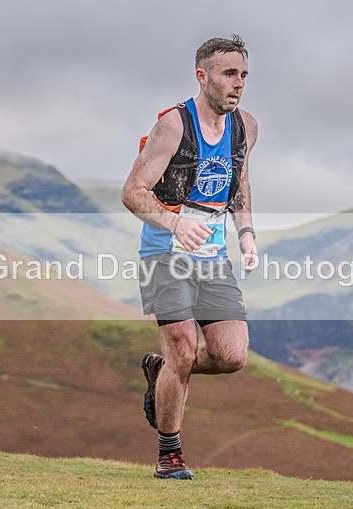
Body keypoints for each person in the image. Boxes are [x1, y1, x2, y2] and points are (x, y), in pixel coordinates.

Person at [121, 35, 259, 480]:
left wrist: (247, 234)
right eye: (229, 74)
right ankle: (170, 456)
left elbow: (240, 184)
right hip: (164, 255)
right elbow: (132, 192)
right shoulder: (173, 127)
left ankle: (161, 371)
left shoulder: (245, 127)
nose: (238, 83)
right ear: (202, 76)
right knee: (182, 349)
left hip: (213, 258)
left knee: (231, 356)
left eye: (243, 75)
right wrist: (175, 223)